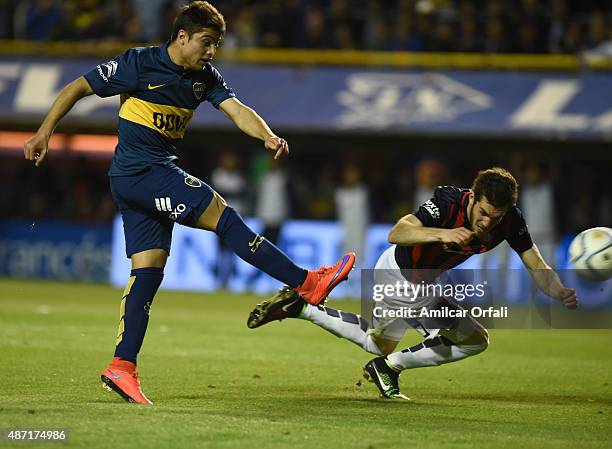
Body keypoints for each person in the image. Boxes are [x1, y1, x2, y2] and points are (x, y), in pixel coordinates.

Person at [23, 1, 355, 405]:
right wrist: (43, 133)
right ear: (182, 37)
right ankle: (306, 282)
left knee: (148, 272)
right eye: (206, 42)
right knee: (222, 214)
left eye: (216, 43)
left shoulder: (204, 77)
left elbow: (237, 109)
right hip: (144, 172)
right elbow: (78, 86)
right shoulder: (138, 63)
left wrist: (266, 135)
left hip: (135, 181)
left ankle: (122, 367)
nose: (212, 51)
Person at [247, 167, 578, 400]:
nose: (487, 222)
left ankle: (304, 309)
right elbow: (397, 232)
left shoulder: (510, 220)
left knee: (378, 343)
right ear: (474, 197)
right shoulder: (448, 203)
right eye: (484, 211)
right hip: (403, 278)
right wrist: (442, 232)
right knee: (472, 339)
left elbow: (536, 263)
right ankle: (386, 366)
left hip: (424, 284)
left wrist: (558, 290)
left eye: (497, 216)